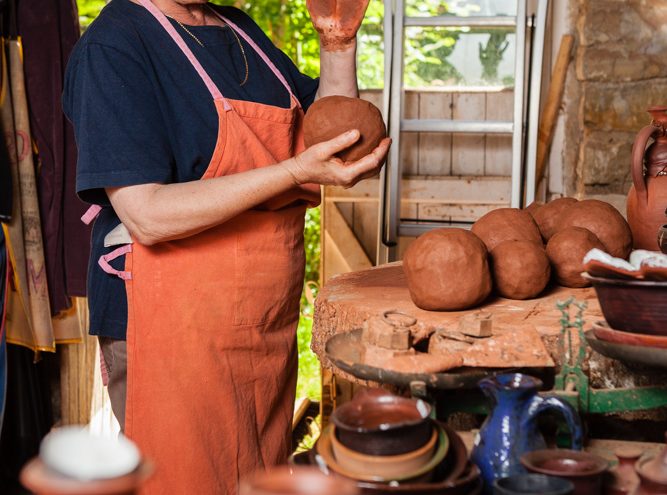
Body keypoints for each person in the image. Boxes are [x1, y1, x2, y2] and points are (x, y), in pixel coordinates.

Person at [62, 0, 390, 492]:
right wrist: (295, 173)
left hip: (260, 325)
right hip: (172, 328)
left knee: (257, 477)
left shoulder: (238, 28)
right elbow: (147, 213)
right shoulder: (115, 46)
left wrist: (337, 44)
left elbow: (331, 131)